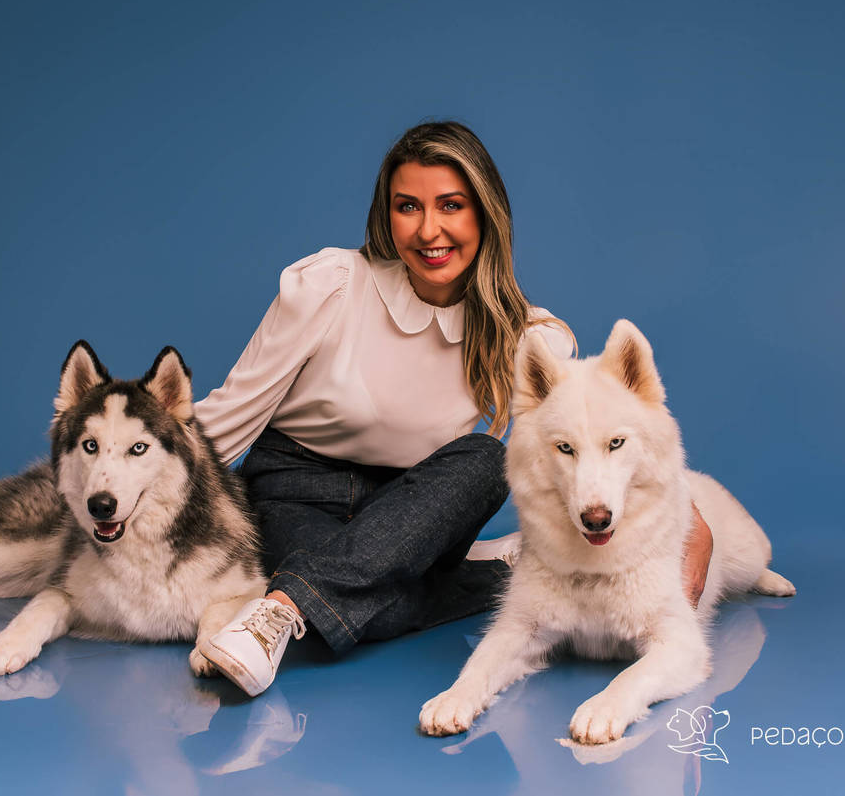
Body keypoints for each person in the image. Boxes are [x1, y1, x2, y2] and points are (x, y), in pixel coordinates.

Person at [192, 121, 713, 697]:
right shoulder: (332, 286)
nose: (429, 230)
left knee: (487, 459)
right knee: (370, 616)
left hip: (418, 511)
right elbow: (224, 420)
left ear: (485, 214)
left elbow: (610, 426)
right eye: (408, 206)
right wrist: (89, 489)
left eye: (451, 206)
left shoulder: (535, 338)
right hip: (297, 486)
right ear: (386, 217)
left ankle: (283, 604)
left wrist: (692, 520)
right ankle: (466, 579)